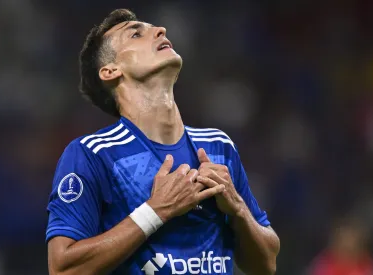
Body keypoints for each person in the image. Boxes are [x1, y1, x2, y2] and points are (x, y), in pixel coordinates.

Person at [46, 9, 280, 275]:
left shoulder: (218, 146)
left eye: (155, 28)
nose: (161, 30)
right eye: (136, 34)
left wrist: (237, 208)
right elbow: (63, 269)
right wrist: (155, 211)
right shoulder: (93, 155)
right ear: (110, 71)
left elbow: (266, 265)